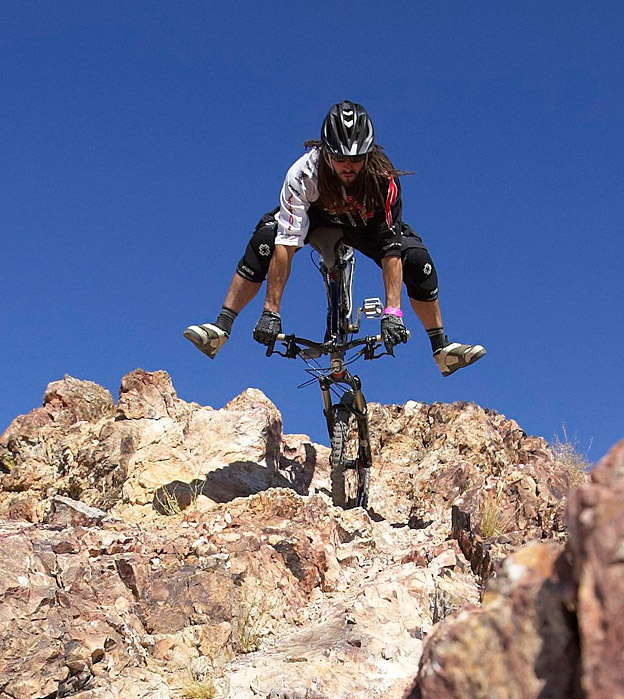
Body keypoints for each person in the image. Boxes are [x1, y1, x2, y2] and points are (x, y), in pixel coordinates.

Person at [184, 101, 485, 377]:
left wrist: (393, 313)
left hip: (364, 225)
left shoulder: (383, 178)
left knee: (417, 261)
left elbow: (390, 250)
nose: (349, 166)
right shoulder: (304, 173)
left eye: (357, 158)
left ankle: (440, 347)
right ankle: (221, 328)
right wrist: (270, 313)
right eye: (340, 158)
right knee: (266, 238)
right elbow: (285, 245)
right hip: (315, 220)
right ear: (325, 151)